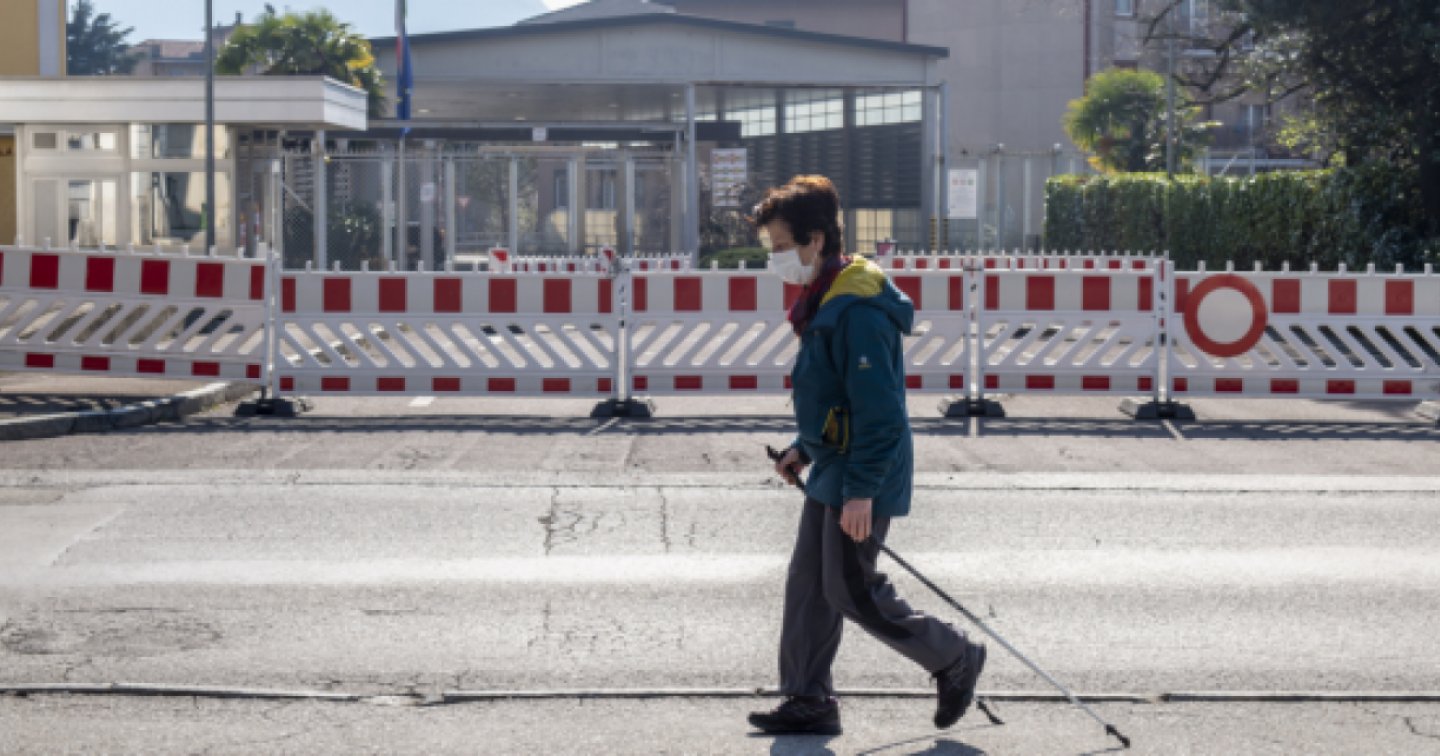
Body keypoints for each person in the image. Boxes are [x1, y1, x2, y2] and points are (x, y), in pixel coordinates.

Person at [747, 175, 986, 736]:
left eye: (781, 246)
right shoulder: (827, 296)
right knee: (809, 585)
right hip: (835, 465)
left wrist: (862, 491)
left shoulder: (858, 309)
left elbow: (879, 411)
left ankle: (954, 655)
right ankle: (808, 699)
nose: (775, 259)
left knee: (850, 590)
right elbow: (835, 397)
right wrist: (804, 449)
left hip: (863, 470)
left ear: (815, 240)